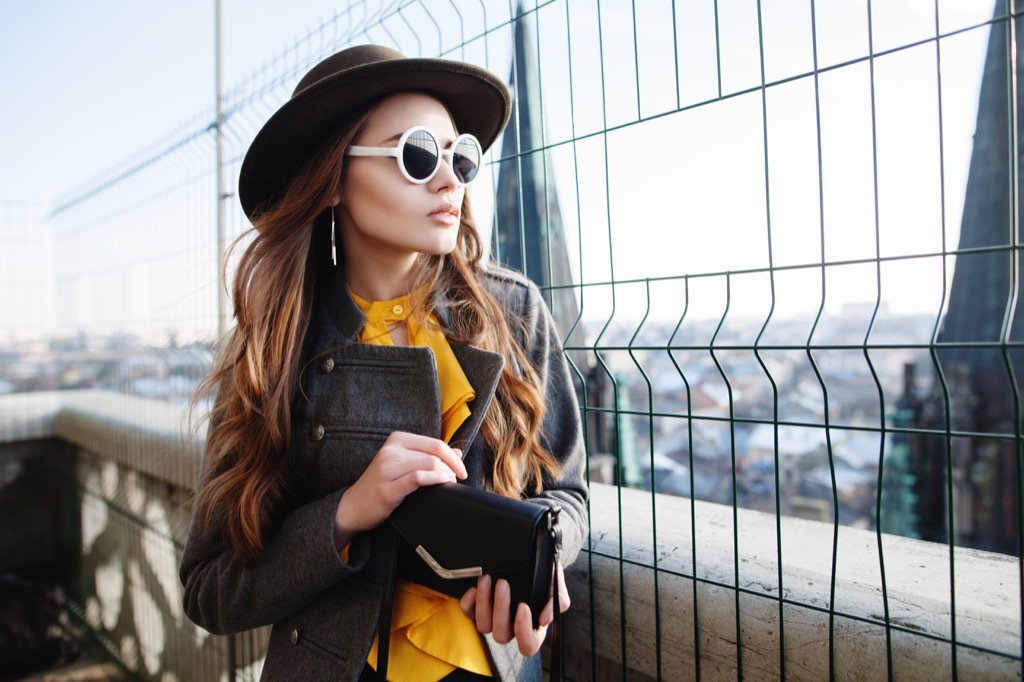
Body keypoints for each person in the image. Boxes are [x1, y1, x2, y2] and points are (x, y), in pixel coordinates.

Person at [179, 44, 589, 682]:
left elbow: (568, 494)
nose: (450, 181)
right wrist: (348, 512)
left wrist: (536, 573)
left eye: (460, 157)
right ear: (333, 177)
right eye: (417, 155)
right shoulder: (275, 346)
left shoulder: (514, 313)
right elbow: (210, 589)